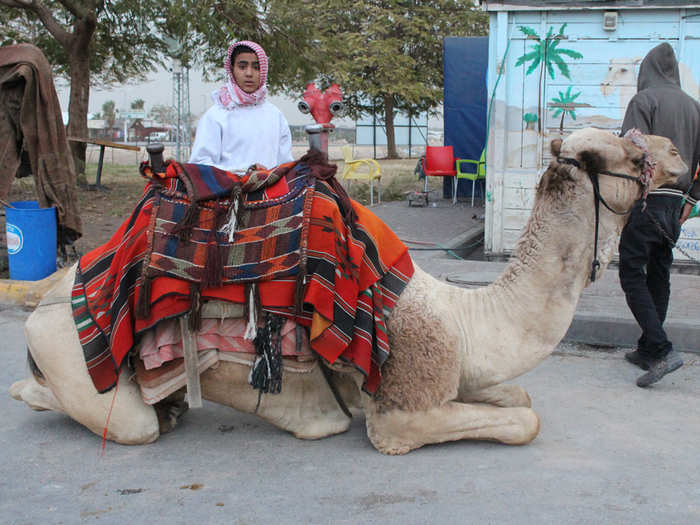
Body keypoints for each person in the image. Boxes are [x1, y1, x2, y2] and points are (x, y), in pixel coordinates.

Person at [619, 42, 700, 387]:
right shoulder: (695, 107)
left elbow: (631, 150)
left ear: (647, 71)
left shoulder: (644, 101)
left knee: (632, 273)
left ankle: (663, 349)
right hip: (676, 204)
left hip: (647, 200)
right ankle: (647, 349)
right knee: (659, 274)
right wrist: (692, 200)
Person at [189, 40, 293, 171]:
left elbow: (286, 165)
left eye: (256, 67)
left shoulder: (275, 116)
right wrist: (244, 173)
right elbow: (200, 165)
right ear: (232, 70)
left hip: (271, 190)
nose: (249, 73)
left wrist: (265, 176)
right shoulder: (216, 115)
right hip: (228, 190)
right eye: (242, 67)